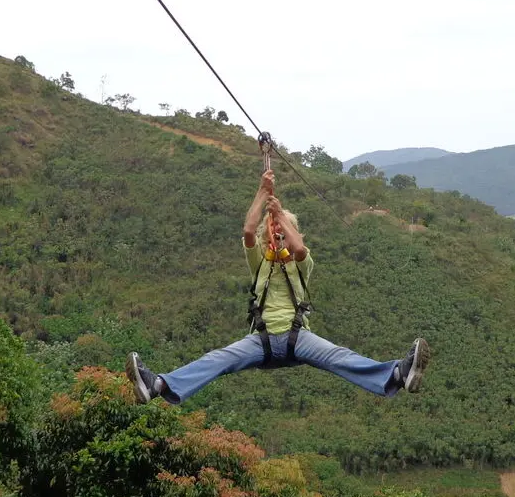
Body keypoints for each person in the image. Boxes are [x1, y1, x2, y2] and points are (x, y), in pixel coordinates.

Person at [127, 168, 429, 404]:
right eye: (274, 233)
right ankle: (157, 385)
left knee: (341, 357)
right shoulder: (260, 261)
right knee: (217, 360)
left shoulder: (301, 263)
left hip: (299, 337)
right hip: (262, 339)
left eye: (284, 232)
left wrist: (280, 216)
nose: (279, 237)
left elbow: (298, 249)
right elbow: (248, 231)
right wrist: (262, 194)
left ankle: (399, 374)